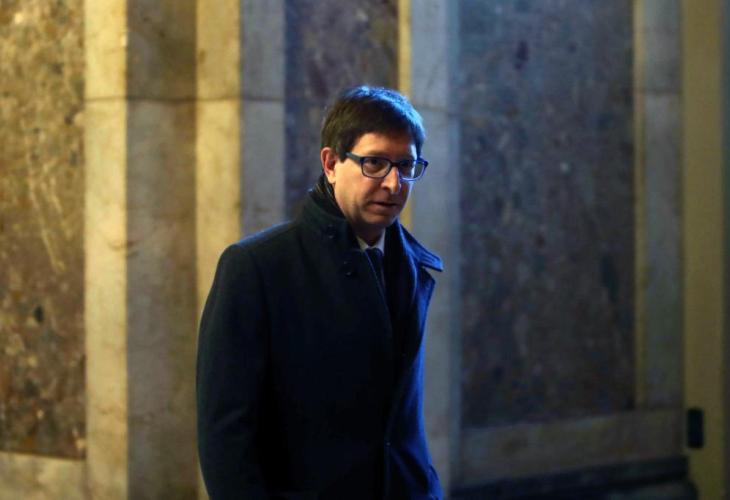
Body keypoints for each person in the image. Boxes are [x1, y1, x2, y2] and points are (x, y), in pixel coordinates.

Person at [196, 85, 444, 500]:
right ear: (330, 164)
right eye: (375, 163)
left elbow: (399, 425)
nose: (393, 183)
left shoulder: (412, 266)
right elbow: (224, 437)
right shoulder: (256, 266)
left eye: (406, 165)